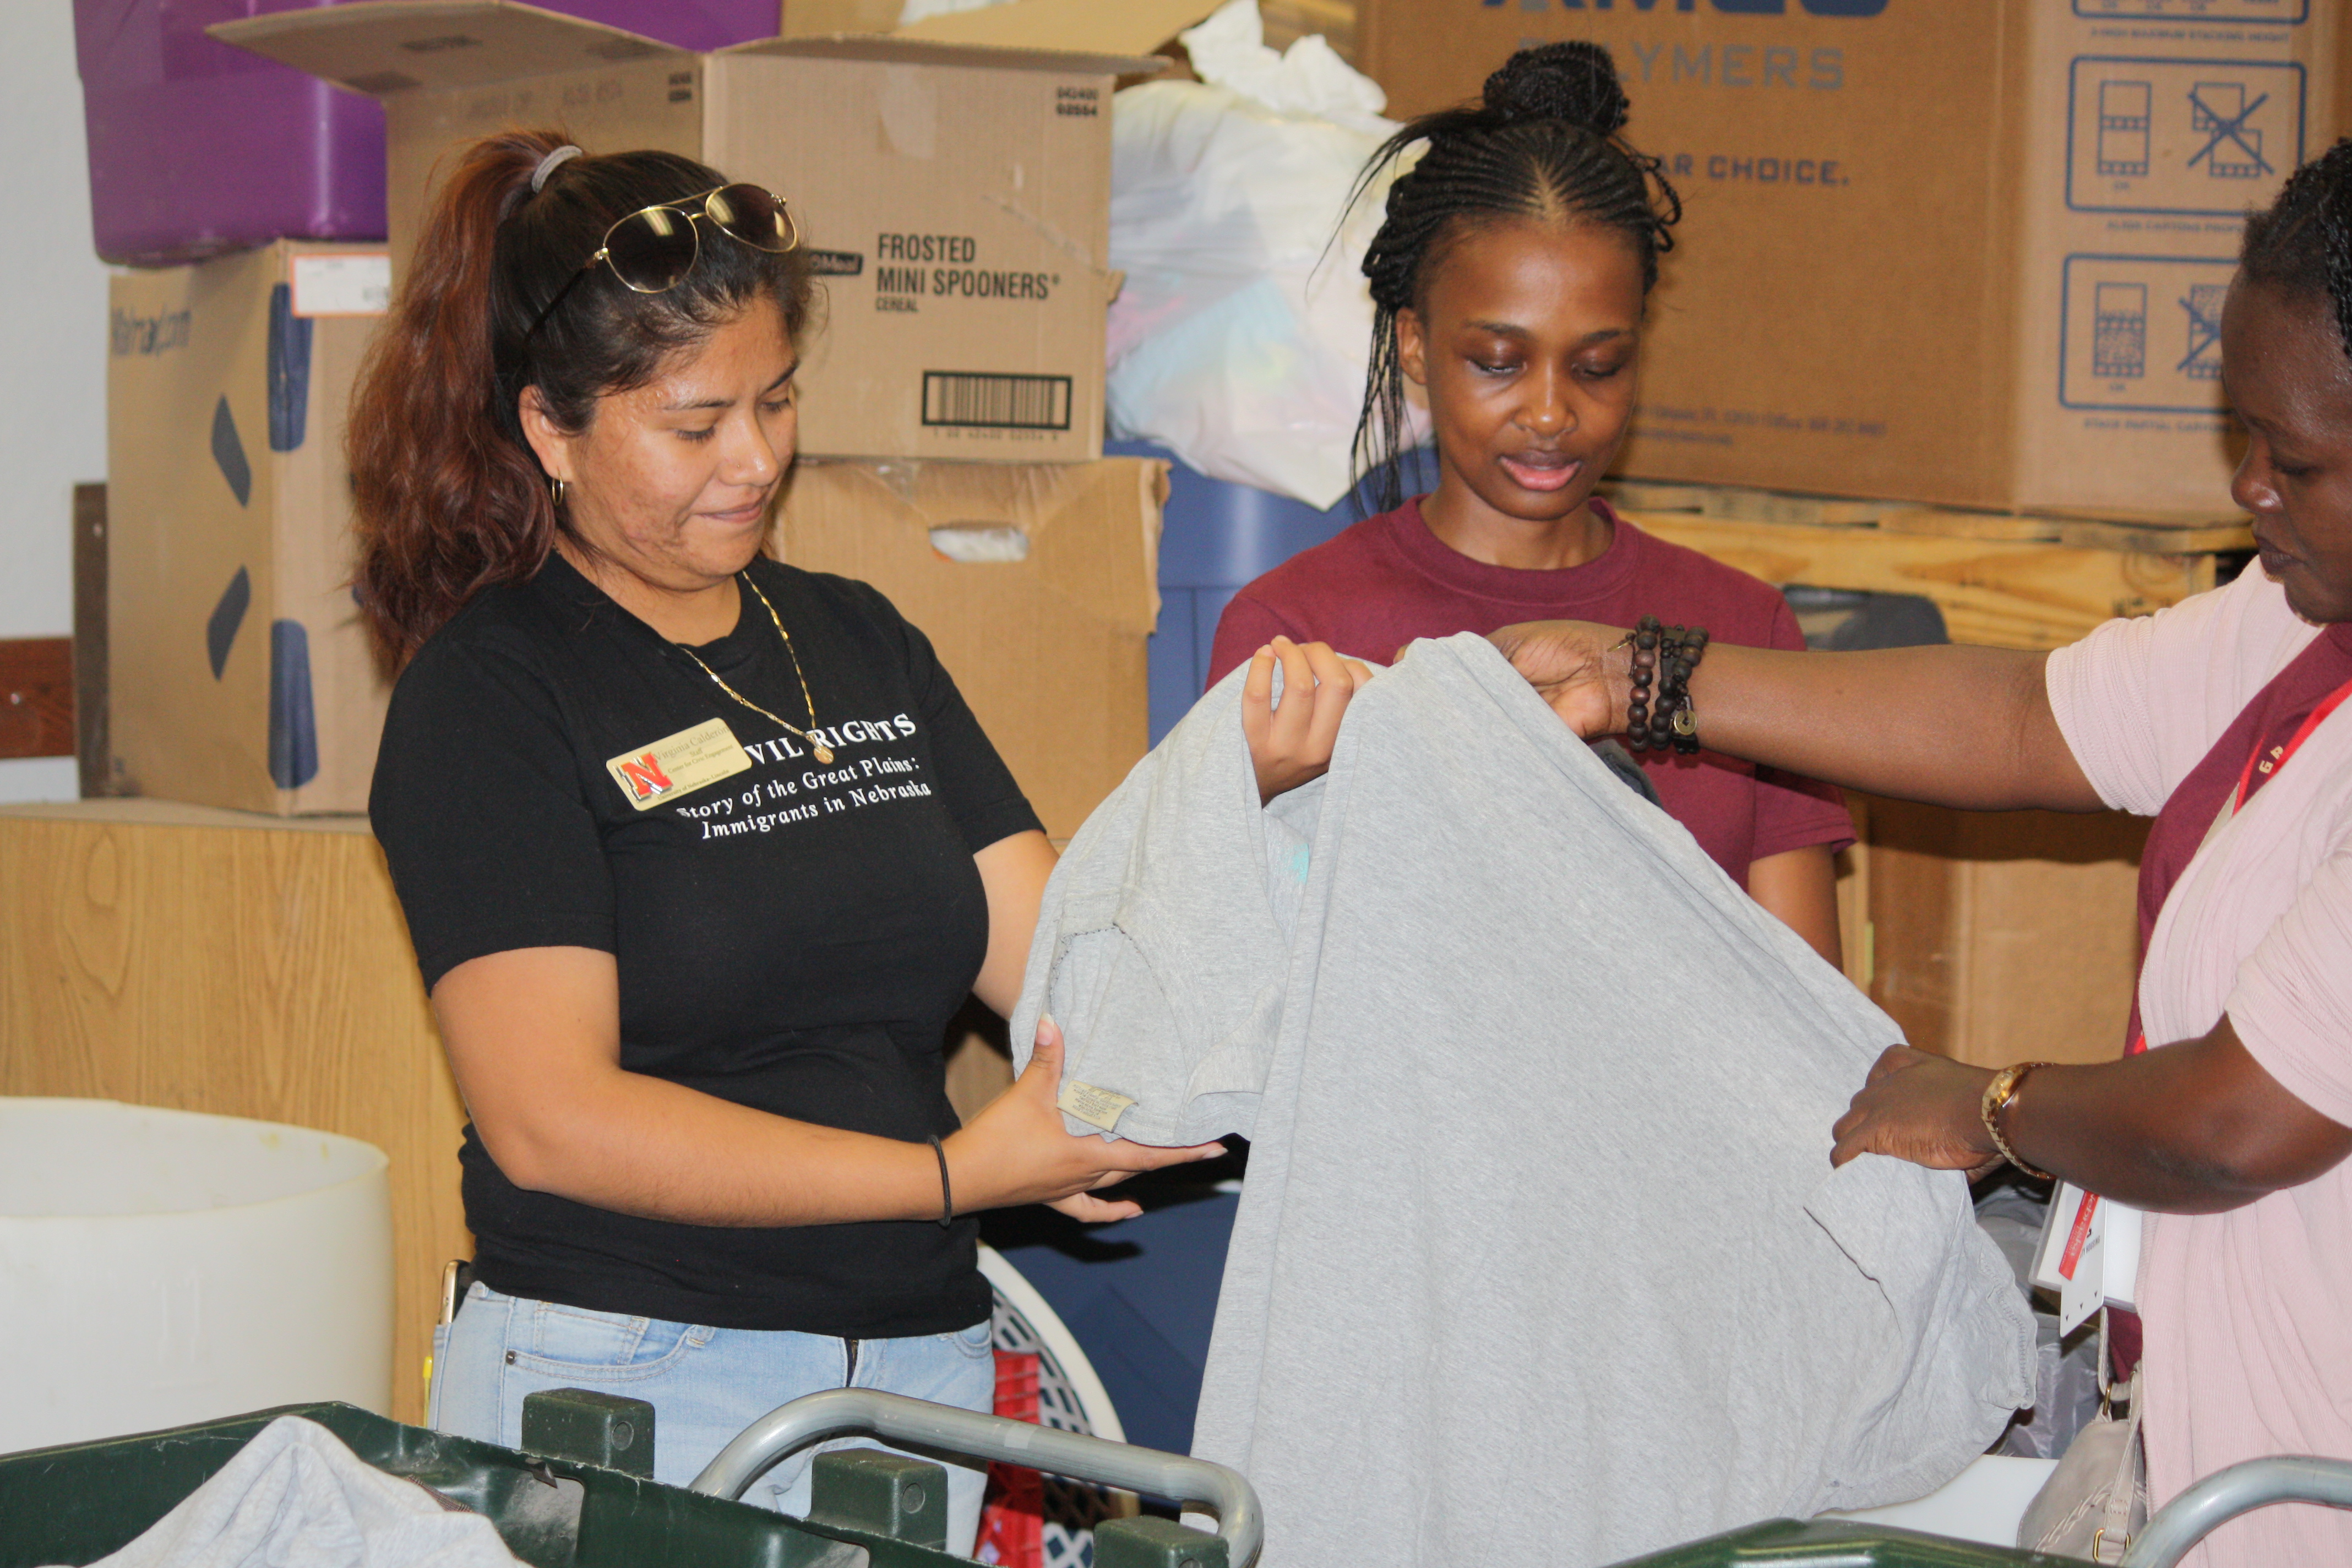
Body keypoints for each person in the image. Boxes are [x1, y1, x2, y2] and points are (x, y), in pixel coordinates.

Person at [352, 133, 1233, 1541]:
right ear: (551, 430)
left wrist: (1252, 788)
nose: (755, 460)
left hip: (912, 1383)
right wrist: (951, 1176)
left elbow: (1077, 968)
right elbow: (551, 1120)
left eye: (778, 399)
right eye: (695, 426)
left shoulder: (857, 639)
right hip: (631, 1391)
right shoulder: (494, 693)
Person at [1485, 140, 2352, 1568]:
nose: (2249, 487)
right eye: (2240, 430)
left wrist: (1991, 1105)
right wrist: (1642, 676)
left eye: (2298, 457)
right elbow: (2022, 718)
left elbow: (2232, 1126)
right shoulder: (2303, 615)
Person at [1205, 43, 1853, 964]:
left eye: (1598, 365)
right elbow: (1223, 978)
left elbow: (1814, 1024)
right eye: (1498, 362)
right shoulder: (1293, 631)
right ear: (1418, 345)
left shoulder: (1744, 629)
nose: (1552, 411)